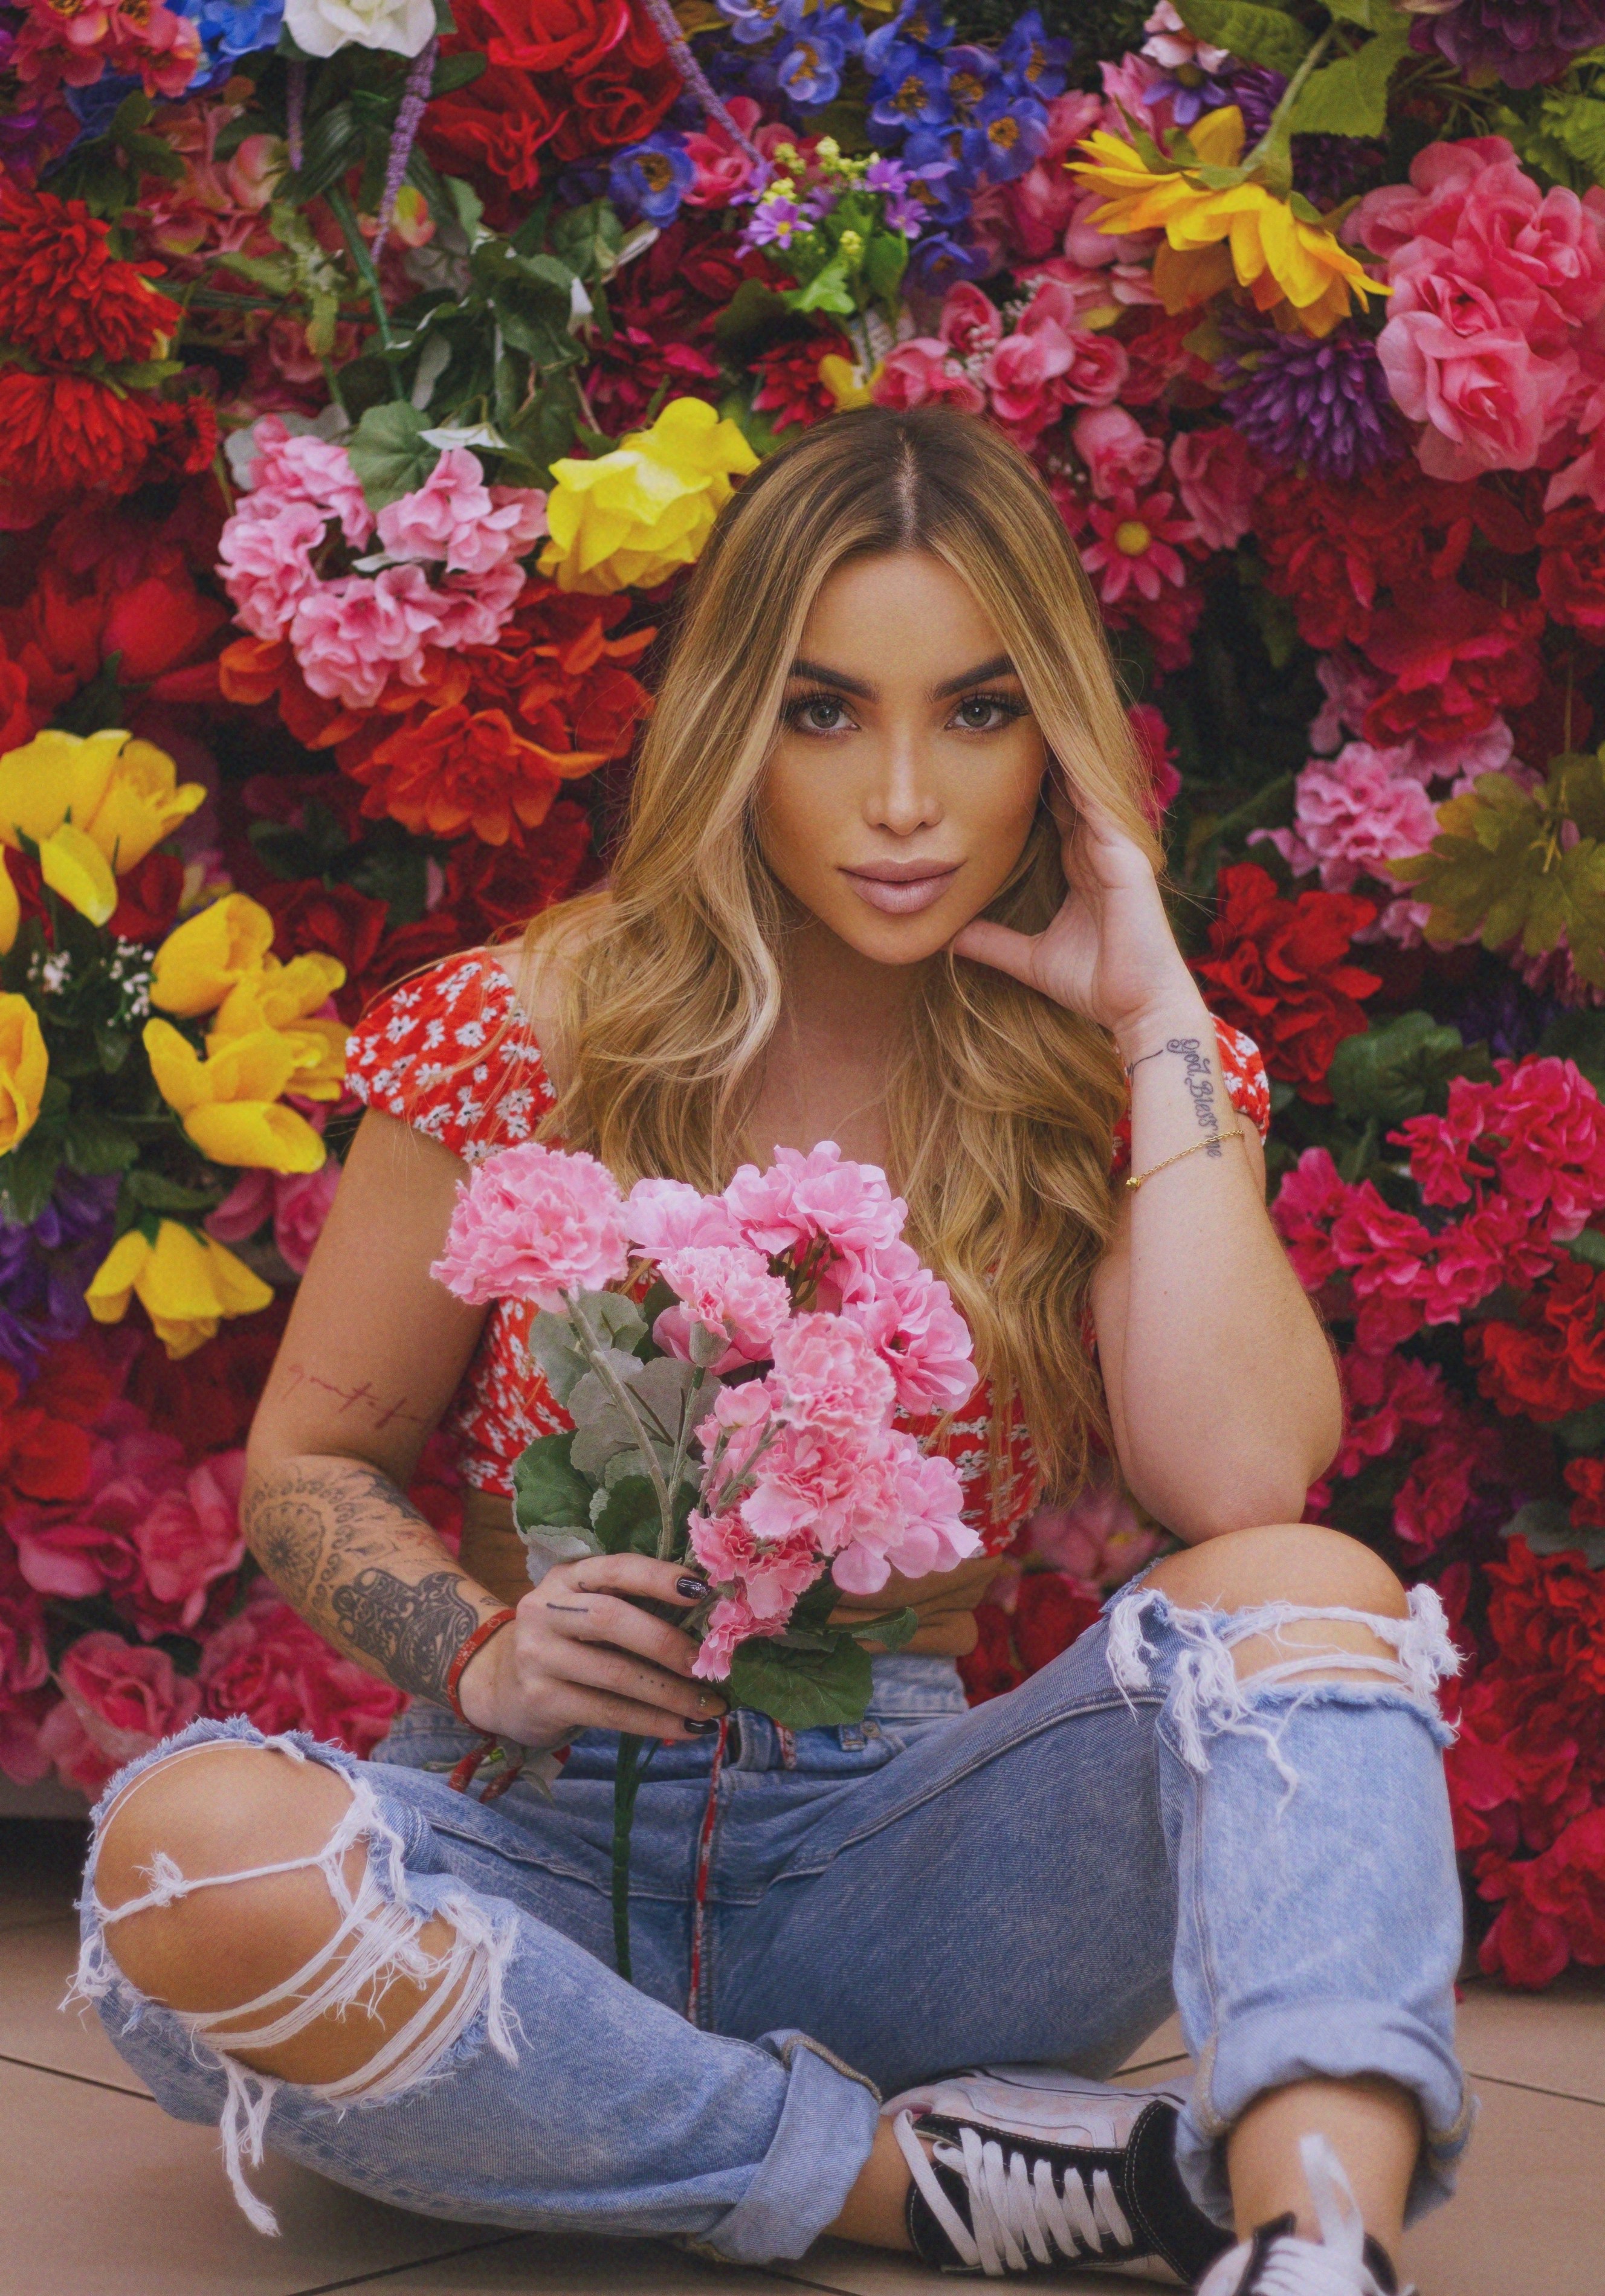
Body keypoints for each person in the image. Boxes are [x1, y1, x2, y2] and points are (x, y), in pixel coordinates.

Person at [72, 407, 1469, 2296]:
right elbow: (311, 1471)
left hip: (909, 1871)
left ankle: (1315, 2242)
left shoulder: (1112, 1076)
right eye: (825, 711)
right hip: (523, 1863)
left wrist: (1160, 1028)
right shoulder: (516, 1031)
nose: (904, 796)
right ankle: (909, 2184)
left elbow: (1236, 1488)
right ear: (734, 720)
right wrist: (478, 1653)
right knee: (193, 1853)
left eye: (976, 712)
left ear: (1054, 737)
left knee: (1310, 1594)